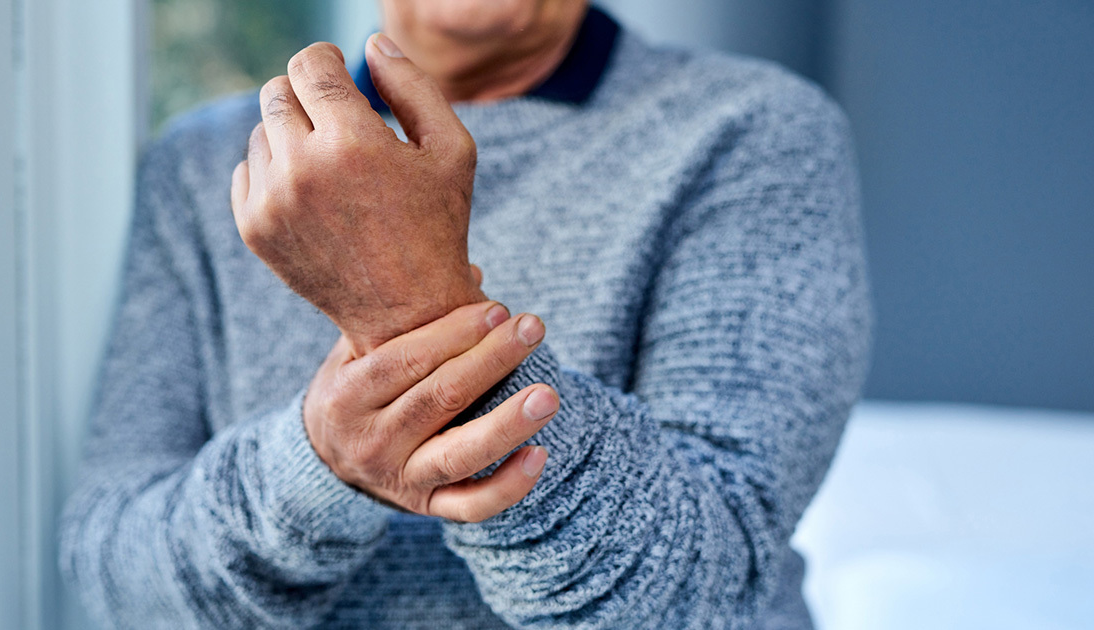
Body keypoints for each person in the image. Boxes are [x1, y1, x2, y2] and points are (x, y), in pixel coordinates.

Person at [59, 0, 871, 628]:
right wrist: (321, 465)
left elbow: (707, 586)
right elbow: (113, 574)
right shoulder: (207, 163)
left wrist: (409, 309)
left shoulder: (753, 130)